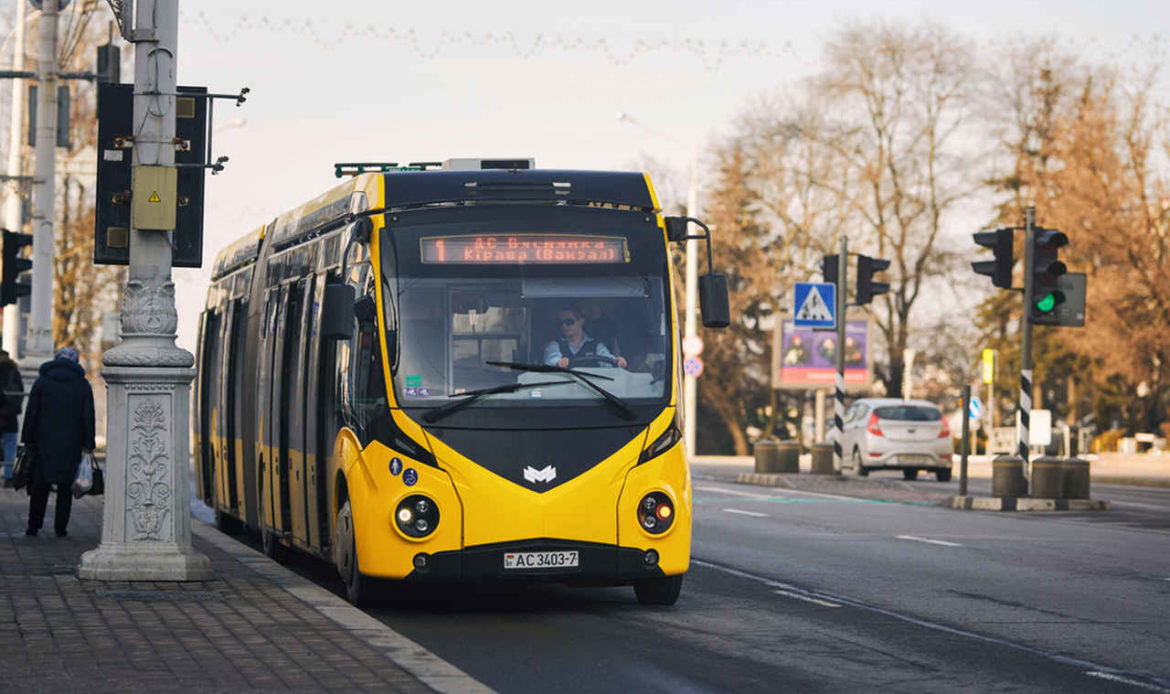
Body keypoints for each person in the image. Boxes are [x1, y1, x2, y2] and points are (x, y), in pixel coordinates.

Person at [23, 347, 95, 538]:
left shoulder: (42, 382)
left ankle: (33, 526)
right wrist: (89, 442)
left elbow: (32, 413)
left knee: (40, 486)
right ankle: (60, 528)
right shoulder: (82, 385)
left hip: (42, 442)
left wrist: (27, 439)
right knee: (65, 488)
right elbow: (88, 416)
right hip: (71, 443)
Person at [544, 307, 626, 369]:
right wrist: (559, 362)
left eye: (569, 322)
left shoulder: (596, 345)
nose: (564, 326)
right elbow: (551, 359)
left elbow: (607, 359)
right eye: (561, 323)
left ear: (581, 321)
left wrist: (618, 361)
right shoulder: (554, 344)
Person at [0, 349, 24, 481]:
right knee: (10, 445)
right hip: (10, 416)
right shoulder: (14, 372)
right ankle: (8, 475)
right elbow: (20, 392)